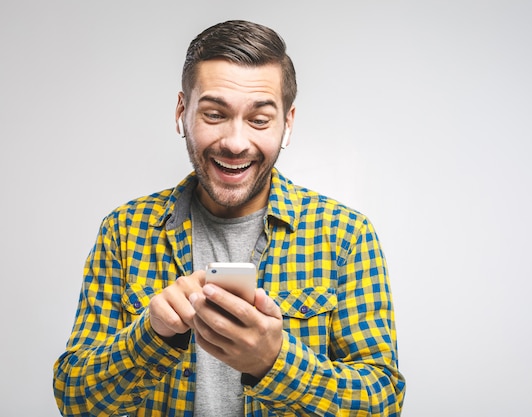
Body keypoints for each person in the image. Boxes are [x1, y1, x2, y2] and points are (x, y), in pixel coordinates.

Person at [53, 19, 406, 416]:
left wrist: (274, 362)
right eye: (215, 114)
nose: (236, 143)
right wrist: (151, 337)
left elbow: (383, 402)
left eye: (259, 120)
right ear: (182, 112)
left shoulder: (345, 235)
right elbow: (75, 399)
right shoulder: (125, 230)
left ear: (286, 125)